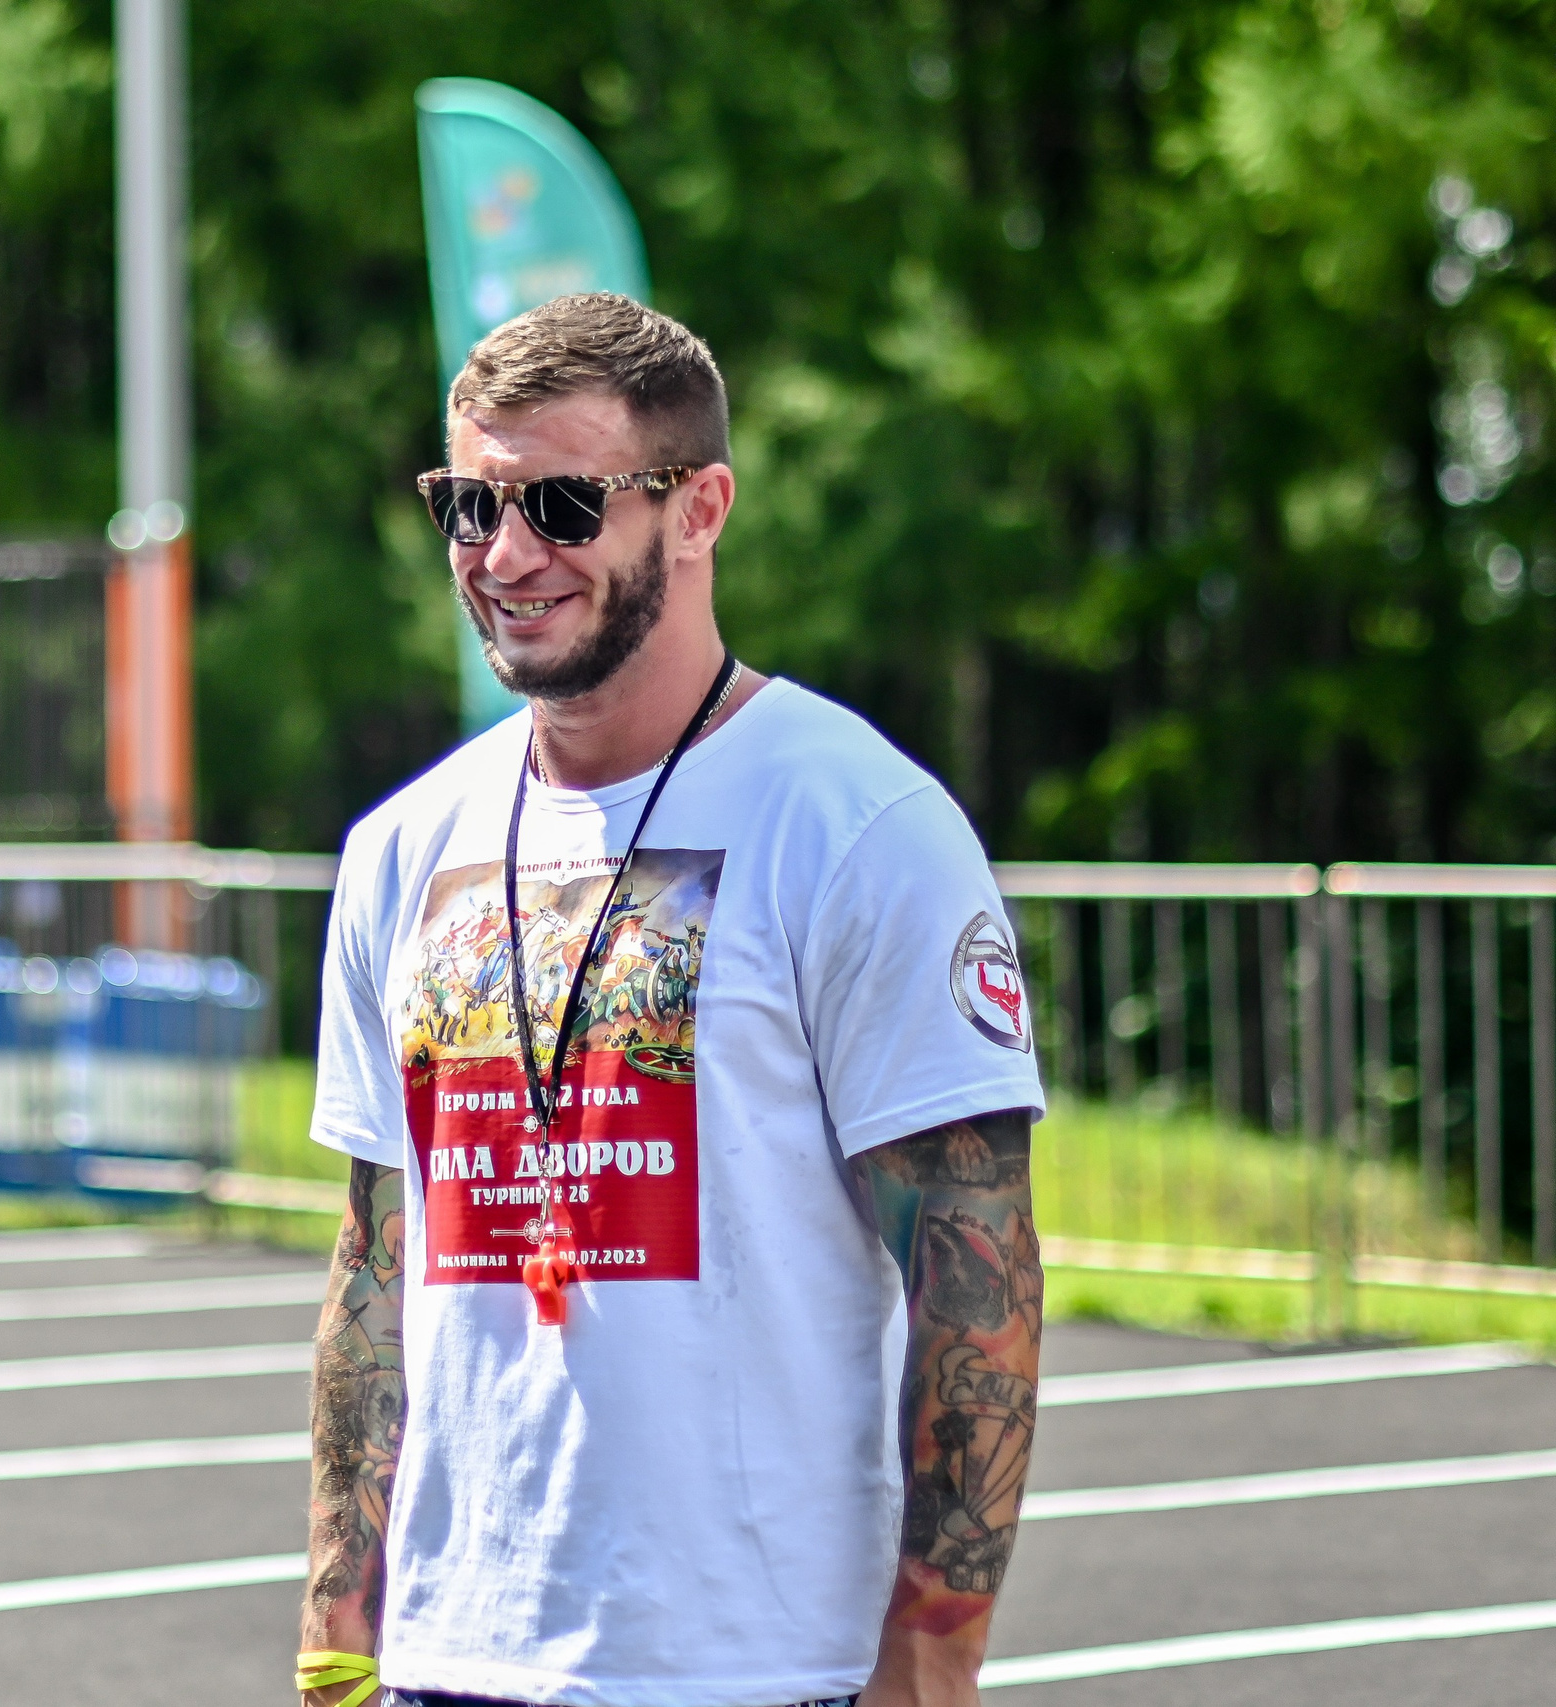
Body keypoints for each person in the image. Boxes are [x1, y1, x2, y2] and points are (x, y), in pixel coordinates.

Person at [295, 294, 1046, 1707]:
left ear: (699, 509)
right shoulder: (403, 845)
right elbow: (376, 1260)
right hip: (450, 1660)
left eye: (562, 503)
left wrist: (932, 1656)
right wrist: (339, 1620)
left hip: (758, 1668)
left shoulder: (858, 823)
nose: (504, 554)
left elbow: (976, 1268)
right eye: (469, 505)